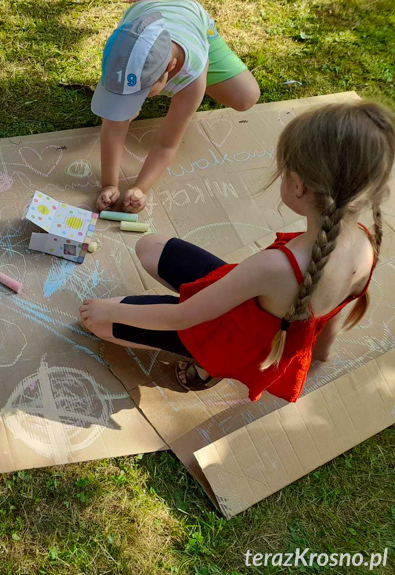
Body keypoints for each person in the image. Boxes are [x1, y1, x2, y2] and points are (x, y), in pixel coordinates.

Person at [79, 101, 394, 402]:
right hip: (264, 314)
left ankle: (208, 364)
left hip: (233, 341)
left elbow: (181, 317)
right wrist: (321, 354)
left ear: (298, 186)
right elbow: (332, 315)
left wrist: (112, 311)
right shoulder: (366, 245)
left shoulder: (275, 267)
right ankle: (210, 359)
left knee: (96, 322)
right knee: (149, 246)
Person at [92, 0, 259, 213]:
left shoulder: (193, 76)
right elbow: (112, 126)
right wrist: (109, 184)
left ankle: (206, 50)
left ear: (170, 68)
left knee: (246, 96)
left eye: (142, 93)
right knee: (121, 113)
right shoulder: (123, 56)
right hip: (144, 19)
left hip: (191, 20)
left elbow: (166, 145)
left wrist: (140, 188)